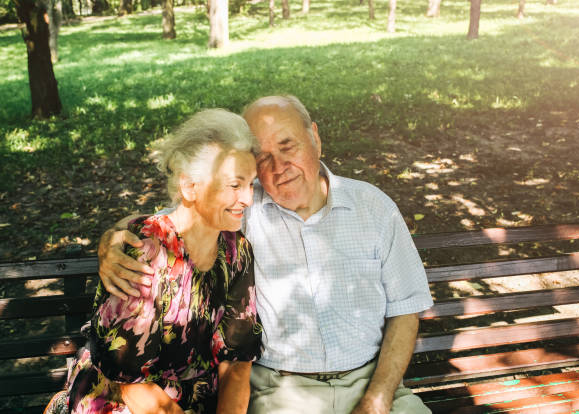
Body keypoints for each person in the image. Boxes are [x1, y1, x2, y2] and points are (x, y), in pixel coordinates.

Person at [97, 96, 434, 414]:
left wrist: (378, 397)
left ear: (315, 137)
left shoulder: (373, 208)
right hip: (285, 393)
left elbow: (406, 310)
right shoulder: (241, 210)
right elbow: (180, 217)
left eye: (288, 147)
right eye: (263, 158)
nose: (279, 167)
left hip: (372, 384)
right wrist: (114, 239)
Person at [45, 109, 263, 414]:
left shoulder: (236, 252)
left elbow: (237, 365)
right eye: (235, 185)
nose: (248, 199)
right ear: (189, 187)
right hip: (120, 404)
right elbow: (131, 385)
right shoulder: (144, 249)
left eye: (251, 184)